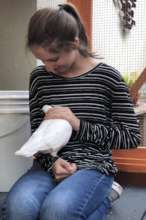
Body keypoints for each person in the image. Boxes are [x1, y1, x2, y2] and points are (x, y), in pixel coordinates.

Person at [3, 3, 140, 220]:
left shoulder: (107, 78)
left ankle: (104, 196)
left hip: (93, 166)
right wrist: (52, 163)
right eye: (42, 60)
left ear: (75, 43)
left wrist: (78, 124)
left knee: (57, 211)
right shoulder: (40, 79)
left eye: (54, 59)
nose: (48, 67)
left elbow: (131, 137)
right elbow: (38, 135)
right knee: (18, 209)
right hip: (48, 166)